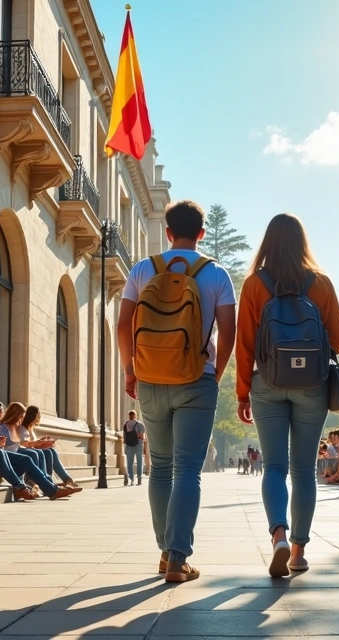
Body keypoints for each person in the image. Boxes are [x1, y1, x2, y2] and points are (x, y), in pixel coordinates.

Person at [116, 200, 237, 584]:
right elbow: (228, 331)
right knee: (187, 469)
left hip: (151, 379)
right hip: (196, 378)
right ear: (201, 232)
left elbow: (123, 325)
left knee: (161, 467)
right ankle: (178, 557)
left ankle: (165, 550)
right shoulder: (215, 273)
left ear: (168, 232)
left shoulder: (143, 268)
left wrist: (130, 370)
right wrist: (215, 374)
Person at [235, 213, 339, 577]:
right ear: (302, 242)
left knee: (274, 467)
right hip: (312, 386)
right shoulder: (321, 283)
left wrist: (242, 393)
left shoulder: (255, 284)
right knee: (303, 471)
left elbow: (245, 345)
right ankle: (298, 552)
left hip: (267, 383)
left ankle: (278, 536)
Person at [123, 410, 146, 486]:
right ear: (135, 415)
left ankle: (131, 479)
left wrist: (126, 442)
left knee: (130, 462)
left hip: (129, 445)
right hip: (138, 444)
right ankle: (139, 478)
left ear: (129, 416)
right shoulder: (139, 424)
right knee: (139, 461)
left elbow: (124, 435)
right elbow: (143, 432)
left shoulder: (126, 424)